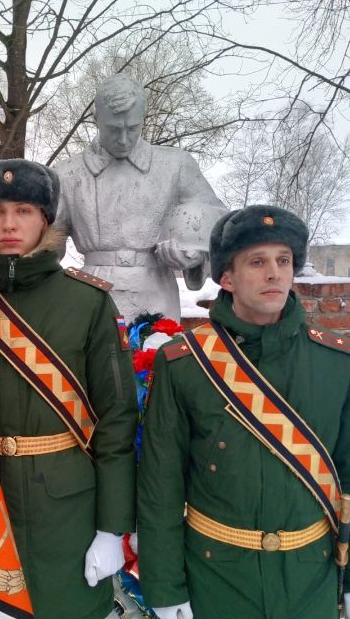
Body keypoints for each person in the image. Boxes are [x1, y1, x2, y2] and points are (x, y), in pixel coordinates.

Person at [137, 204, 350, 619]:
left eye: (283, 260)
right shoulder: (184, 364)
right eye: (257, 261)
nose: (274, 273)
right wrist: (165, 589)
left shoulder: (336, 361)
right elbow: (160, 488)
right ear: (227, 278)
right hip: (217, 579)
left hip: (311, 578)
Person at [0, 159, 139, 619]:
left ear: (46, 219)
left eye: (23, 211)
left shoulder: (88, 301)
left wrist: (112, 528)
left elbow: (116, 418)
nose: (9, 224)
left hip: (66, 510)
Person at [54, 73, 226, 323]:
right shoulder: (67, 173)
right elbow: (47, 246)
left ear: (143, 118)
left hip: (156, 289)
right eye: (113, 129)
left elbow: (218, 222)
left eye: (133, 128)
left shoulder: (176, 164)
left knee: (158, 348)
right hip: (90, 291)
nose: (123, 139)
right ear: (96, 118)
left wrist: (193, 250)